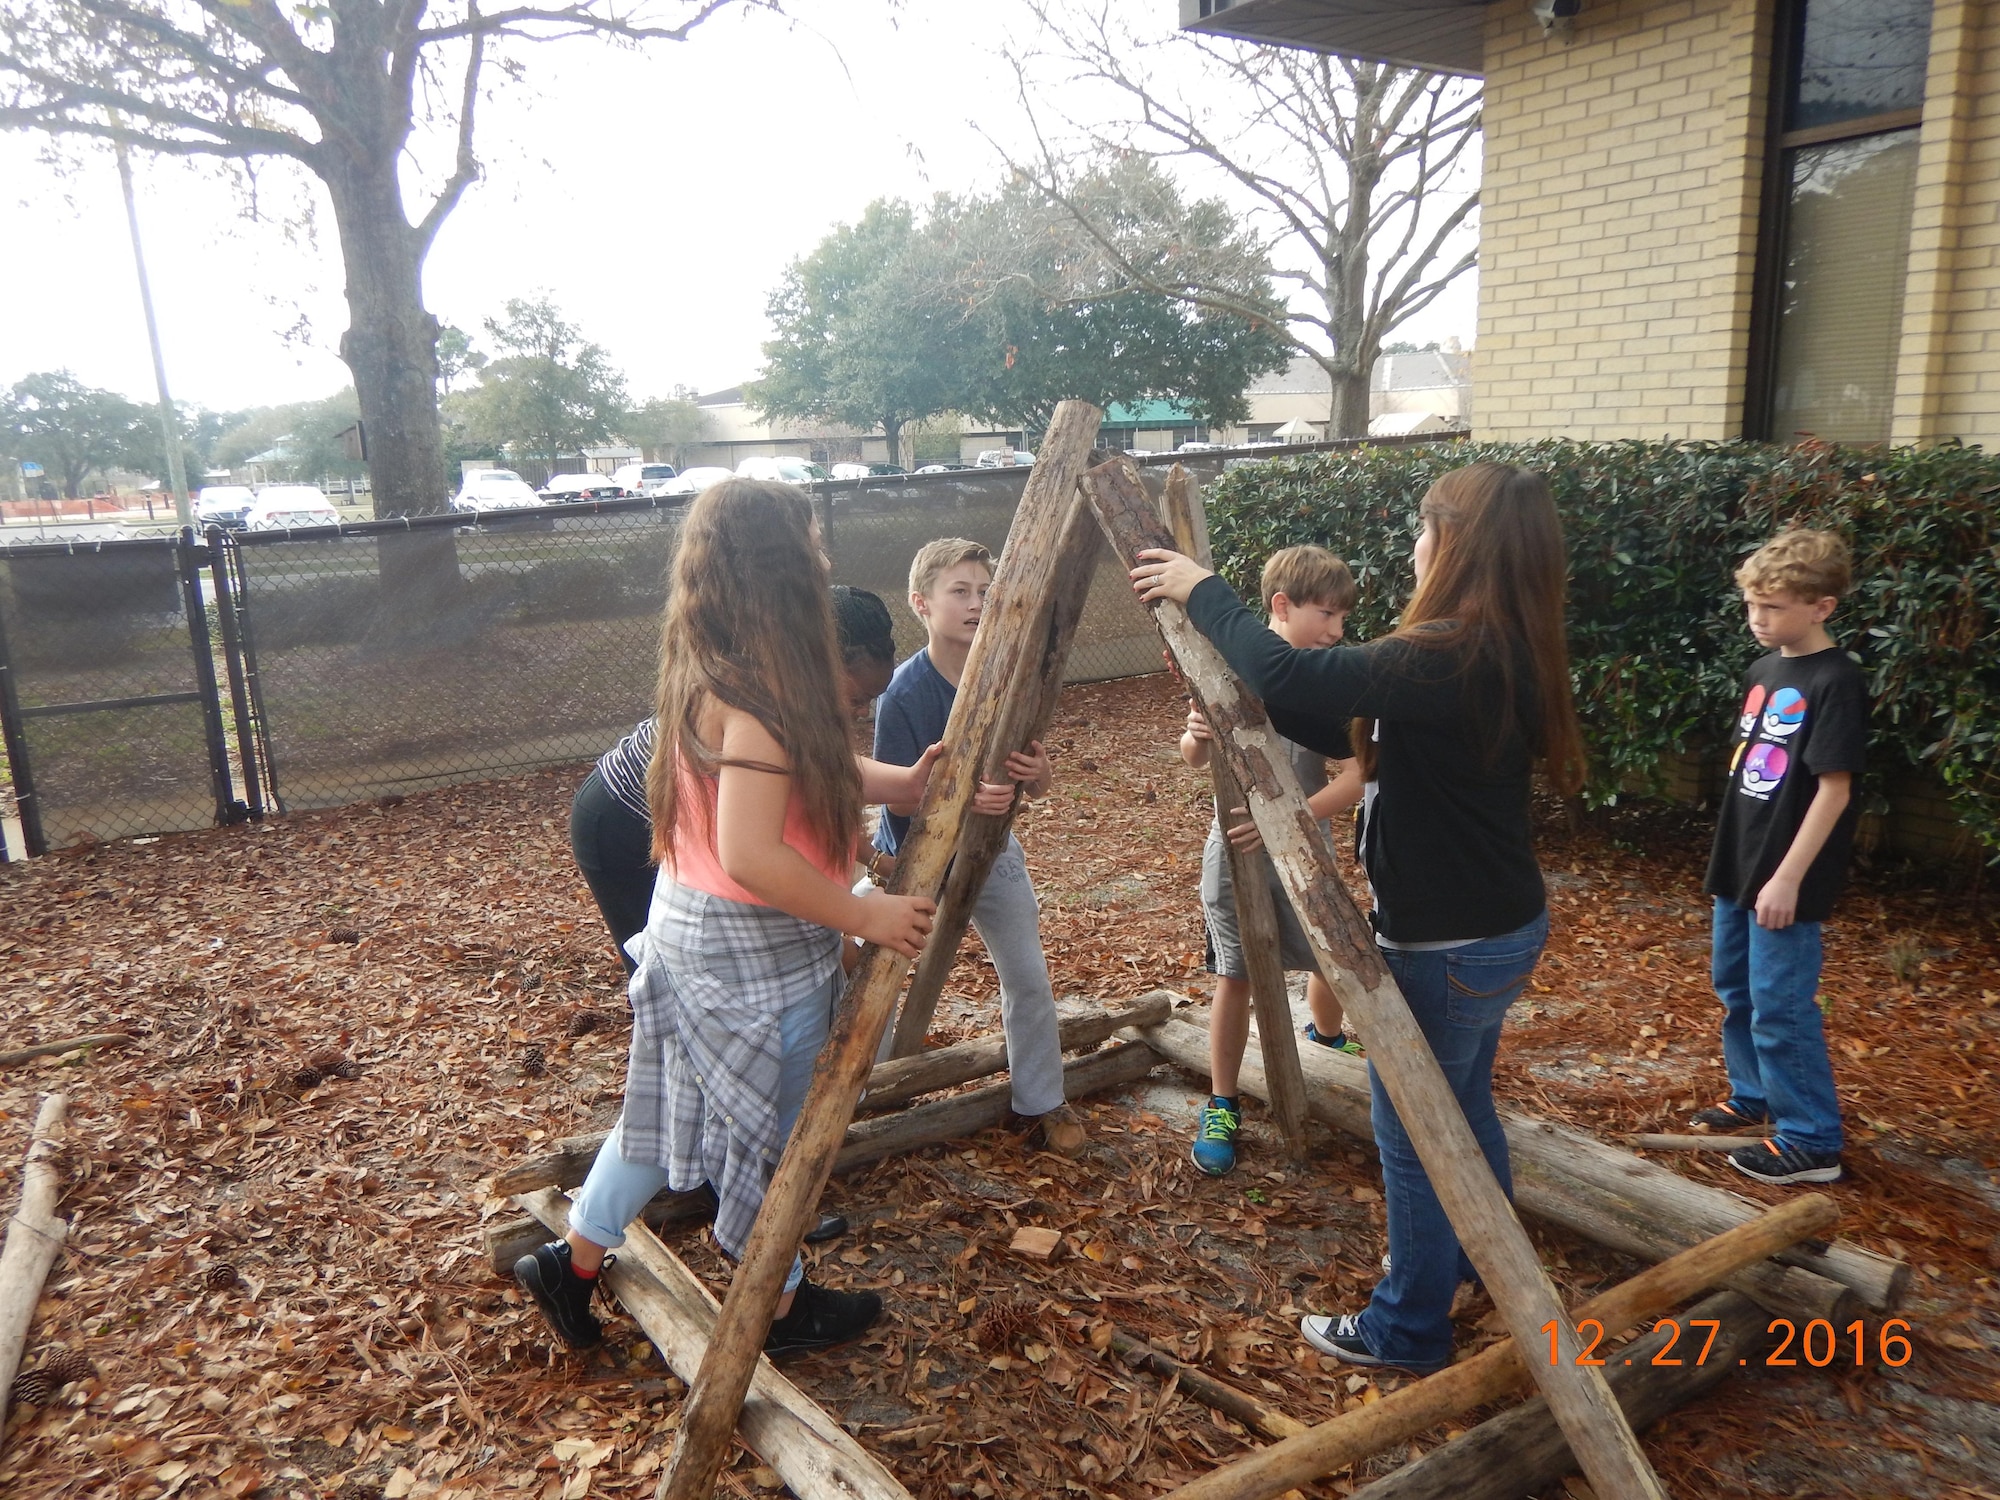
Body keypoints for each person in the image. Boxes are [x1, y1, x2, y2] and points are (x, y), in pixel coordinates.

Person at [1133, 461, 1586, 1376]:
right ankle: (1475, 1267)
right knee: (1459, 1110)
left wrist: (1201, 589)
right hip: (1501, 926)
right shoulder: (1501, 643)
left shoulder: (1454, 647)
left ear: (1457, 544)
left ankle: (1407, 1327)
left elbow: (1283, 666)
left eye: (1424, 529)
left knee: (1417, 1135)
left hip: (1448, 942)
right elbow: (1302, 693)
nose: (1414, 546)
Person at [516, 482, 940, 1358]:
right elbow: (752, 852)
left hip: (698, 929)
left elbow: (801, 769)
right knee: (765, 1133)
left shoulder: (734, 663)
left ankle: (574, 1261)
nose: (821, 555)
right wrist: (866, 911)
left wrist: (898, 782)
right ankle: (777, 1307)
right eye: (809, 542)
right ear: (777, 564)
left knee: (658, 1108)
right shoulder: (750, 694)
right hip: (745, 952)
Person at [869, 537, 1086, 1157]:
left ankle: (1041, 1101)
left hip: (993, 851)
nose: (975, 604)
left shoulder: (1011, 675)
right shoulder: (904, 693)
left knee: (1027, 974)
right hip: (915, 857)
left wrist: (1035, 772)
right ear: (922, 604)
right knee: (879, 980)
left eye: (985, 592)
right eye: (959, 592)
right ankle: (858, 1094)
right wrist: (964, 799)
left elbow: (1036, 784)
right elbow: (897, 797)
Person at [569, 585, 899, 973]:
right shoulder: (762, 710)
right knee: (658, 966)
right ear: (820, 667)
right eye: (857, 699)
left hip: (693, 833)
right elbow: (755, 859)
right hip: (620, 817)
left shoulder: (797, 703)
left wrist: (874, 856)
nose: (863, 713)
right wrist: (848, 930)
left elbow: (820, 787)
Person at [1177, 545, 1365, 1177]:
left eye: (1343, 617)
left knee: (1331, 956)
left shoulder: (1328, 680)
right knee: (1237, 973)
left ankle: (1329, 1043)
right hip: (1234, 849)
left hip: (1307, 847)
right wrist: (1197, 738)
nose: (1338, 631)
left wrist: (1296, 817)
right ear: (1282, 607)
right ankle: (1222, 1100)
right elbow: (1193, 756)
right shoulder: (1228, 669)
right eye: (1327, 614)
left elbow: (1362, 773)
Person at [1691, 529, 1863, 1186]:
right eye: (1752, 606)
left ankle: (1811, 1137)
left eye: (1775, 607)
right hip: (1740, 865)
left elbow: (1835, 789)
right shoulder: (1764, 670)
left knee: (1781, 1002)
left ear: (1822, 606)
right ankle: (1756, 1093)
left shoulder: (1836, 680)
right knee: (1735, 989)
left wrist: (1787, 876)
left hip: (1787, 877)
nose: (1759, 620)